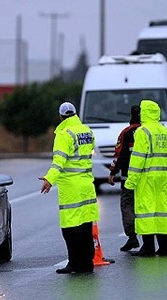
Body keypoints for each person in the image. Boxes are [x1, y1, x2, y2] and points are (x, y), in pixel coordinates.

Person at [39, 101, 99, 274]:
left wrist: (49, 179)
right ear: (75, 113)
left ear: (60, 116)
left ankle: (74, 263)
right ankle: (87, 263)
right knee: (86, 225)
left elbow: (59, 161)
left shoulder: (64, 134)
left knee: (70, 228)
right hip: (87, 184)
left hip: (71, 187)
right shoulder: (87, 131)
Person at [124, 100, 167, 257]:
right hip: (164, 179)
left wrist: (130, 182)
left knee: (146, 212)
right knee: (162, 212)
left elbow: (137, 159)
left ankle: (148, 247)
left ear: (144, 113)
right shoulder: (165, 131)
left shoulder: (142, 132)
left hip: (146, 178)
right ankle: (164, 248)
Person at [108, 105, 141, 252]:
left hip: (128, 177)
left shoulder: (126, 133)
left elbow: (119, 155)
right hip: (147, 178)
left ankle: (132, 237)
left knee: (127, 205)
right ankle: (150, 240)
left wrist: (112, 172)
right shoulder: (149, 132)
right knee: (146, 207)